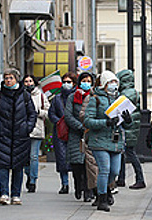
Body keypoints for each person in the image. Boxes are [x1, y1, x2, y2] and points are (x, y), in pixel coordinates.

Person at [84, 71, 132, 212]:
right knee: (104, 169)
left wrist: (128, 120)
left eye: (115, 82)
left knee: (114, 170)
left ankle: (104, 190)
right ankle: (102, 199)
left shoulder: (120, 99)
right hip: (99, 140)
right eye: (110, 82)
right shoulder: (96, 99)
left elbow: (126, 124)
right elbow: (88, 120)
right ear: (104, 84)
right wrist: (106, 122)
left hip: (115, 140)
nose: (113, 85)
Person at [0, 68, 37, 205]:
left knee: (18, 166)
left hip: (20, 136)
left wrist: (27, 127)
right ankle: (4, 194)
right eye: (6, 78)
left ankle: (16, 194)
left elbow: (32, 114)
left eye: (11, 78)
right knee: (3, 166)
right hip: (3, 135)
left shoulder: (25, 96)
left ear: (16, 79)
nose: (8, 80)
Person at [65, 72, 96, 201]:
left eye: (89, 81)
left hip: (90, 135)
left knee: (89, 164)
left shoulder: (94, 97)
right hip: (76, 135)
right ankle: (79, 185)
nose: (86, 83)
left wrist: (90, 126)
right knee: (77, 165)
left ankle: (88, 190)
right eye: (84, 80)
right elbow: (68, 115)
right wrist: (80, 126)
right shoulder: (72, 97)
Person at [48, 72, 78, 194]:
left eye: (69, 82)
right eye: (64, 82)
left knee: (76, 159)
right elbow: (51, 113)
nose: (66, 84)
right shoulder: (57, 98)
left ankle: (78, 184)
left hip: (74, 131)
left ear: (74, 83)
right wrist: (59, 122)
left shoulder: (77, 96)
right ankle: (64, 184)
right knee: (61, 159)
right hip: (60, 132)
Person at [116, 69, 145, 189]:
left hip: (129, 128)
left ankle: (140, 179)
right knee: (123, 153)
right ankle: (121, 178)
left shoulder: (127, 93)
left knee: (130, 153)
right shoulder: (131, 91)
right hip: (131, 127)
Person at [22, 75, 50, 193]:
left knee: (34, 156)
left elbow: (48, 112)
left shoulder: (41, 96)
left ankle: (33, 180)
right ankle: (28, 174)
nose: (28, 84)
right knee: (25, 158)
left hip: (37, 129)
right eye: (26, 82)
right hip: (23, 130)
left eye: (30, 81)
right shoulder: (21, 95)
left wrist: (38, 112)